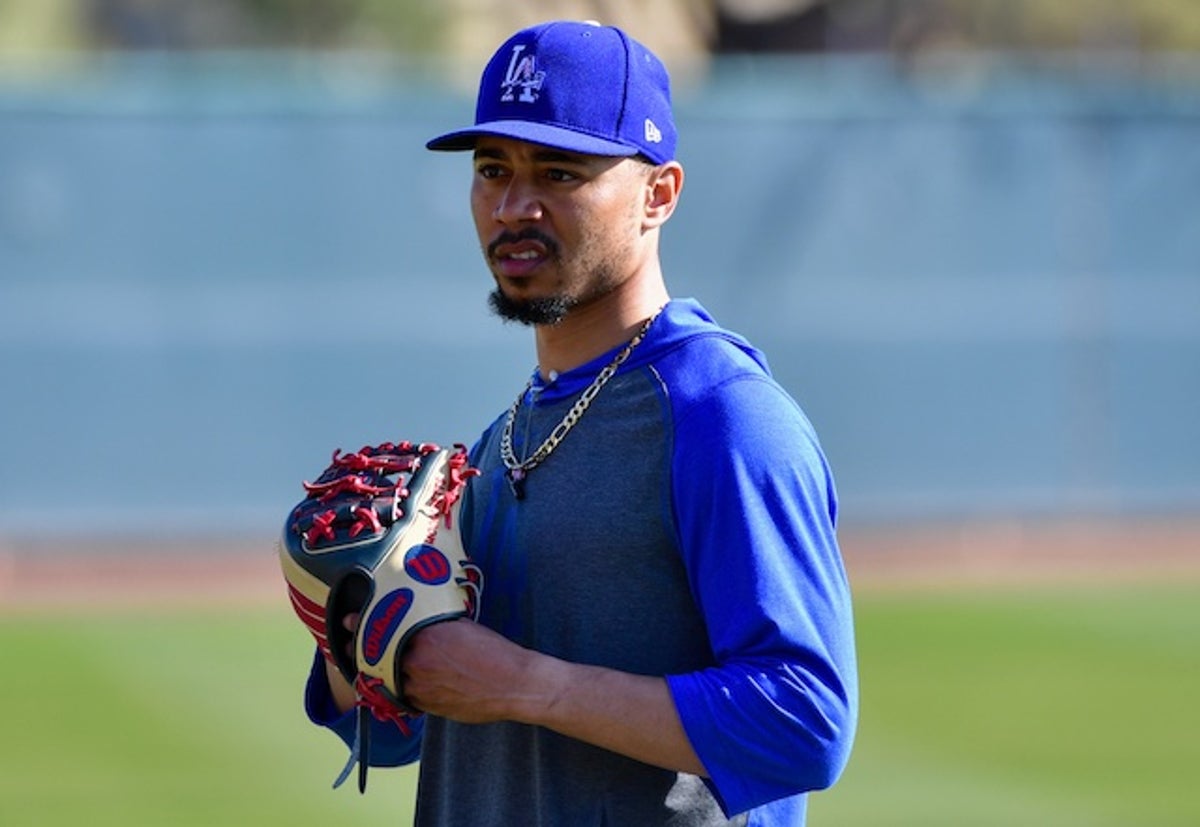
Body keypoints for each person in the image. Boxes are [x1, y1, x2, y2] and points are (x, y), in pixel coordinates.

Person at [300, 19, 858, 826]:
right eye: (493, 169)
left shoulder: (721, 416)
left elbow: (806, 721)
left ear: (658, 194)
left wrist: (528, 684)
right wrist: (362, 645)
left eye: (560, 172)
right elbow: (401, 733)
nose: (514, 205)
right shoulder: (503, 441)